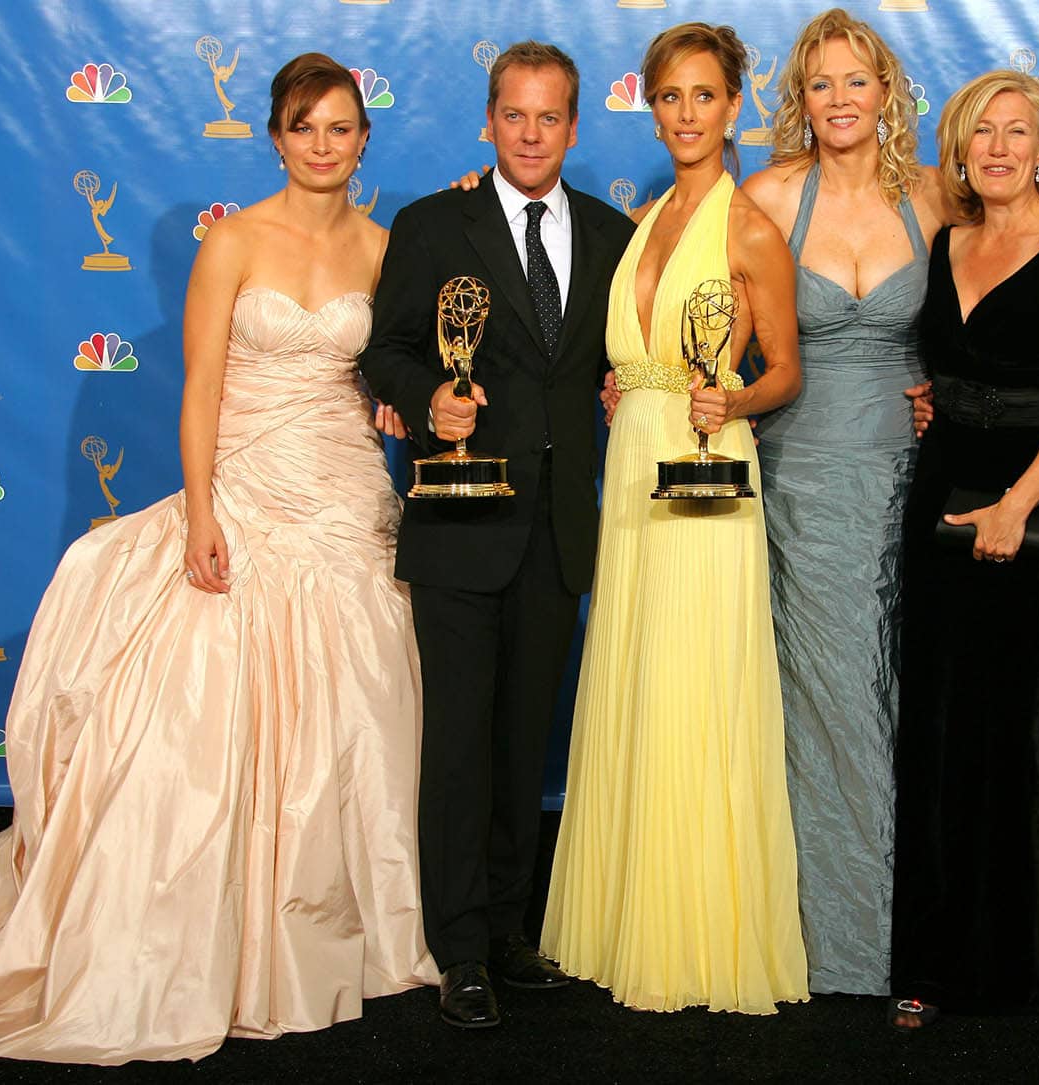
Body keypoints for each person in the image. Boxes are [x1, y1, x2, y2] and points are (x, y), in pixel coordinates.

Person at [0, 53, 436, 1062]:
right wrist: (199, 513)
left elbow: (392, 364)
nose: (322, 145)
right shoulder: (233, 239)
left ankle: (325, 922)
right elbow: (200, 386)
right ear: (275, 137)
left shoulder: (384, 247)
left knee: (352, 705)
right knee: (213, 706)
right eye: (304, 126)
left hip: (345, 492)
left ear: (365, 139)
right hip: (244, 488)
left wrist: (399, 400)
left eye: (340, 127)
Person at [358, 42, 634, 1030]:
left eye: (549, 116)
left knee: (525, 742)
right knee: (460, 749)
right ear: (488, 120)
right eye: (513, 114)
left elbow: (618, 357)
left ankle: (513, 931)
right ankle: (461, 949)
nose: (530, 133)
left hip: (558, 527)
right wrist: (427, 396)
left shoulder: (612, 234)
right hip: (460, 520)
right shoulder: (434, 224)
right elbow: (386, 348)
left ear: (574, 126)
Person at [540, 22, 809, 1015]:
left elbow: (787, 370)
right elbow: (628, 350)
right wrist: (623, 384)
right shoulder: (640, 220)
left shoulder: (750, 229)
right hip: (631, 465)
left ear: (734, 106)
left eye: (704, 96)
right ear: (649, 108)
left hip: (705, 464)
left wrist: (732, 398)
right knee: (635, 672)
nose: (686, 114)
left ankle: (697, 935)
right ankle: (626, 919)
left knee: (696, 679)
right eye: (669, 97)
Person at [888, 70, 1039, 1028]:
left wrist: (1016, 506)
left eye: (1017, 131)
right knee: (935, 727)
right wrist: (932, 399)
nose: (997, 147)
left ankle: (1018, 955)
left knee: (1012, 731)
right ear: (960, 145)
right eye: (981, 131)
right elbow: (947, 369)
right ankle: (929, 959)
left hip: (1028, 511)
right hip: (941, 497)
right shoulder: (947, 239)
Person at [740, 7, 951, 997]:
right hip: (801, 480)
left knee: (908, 692)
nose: (838, 100)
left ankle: (925, 922)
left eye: (855, 81)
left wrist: (958, 392)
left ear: (887, 92)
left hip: (913, 483)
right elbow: (705, 313)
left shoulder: (937, 197)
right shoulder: (770, 195)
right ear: (800, 96)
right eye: (819, 83)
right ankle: (839, 937)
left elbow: (997, 306)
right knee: (827, 699)